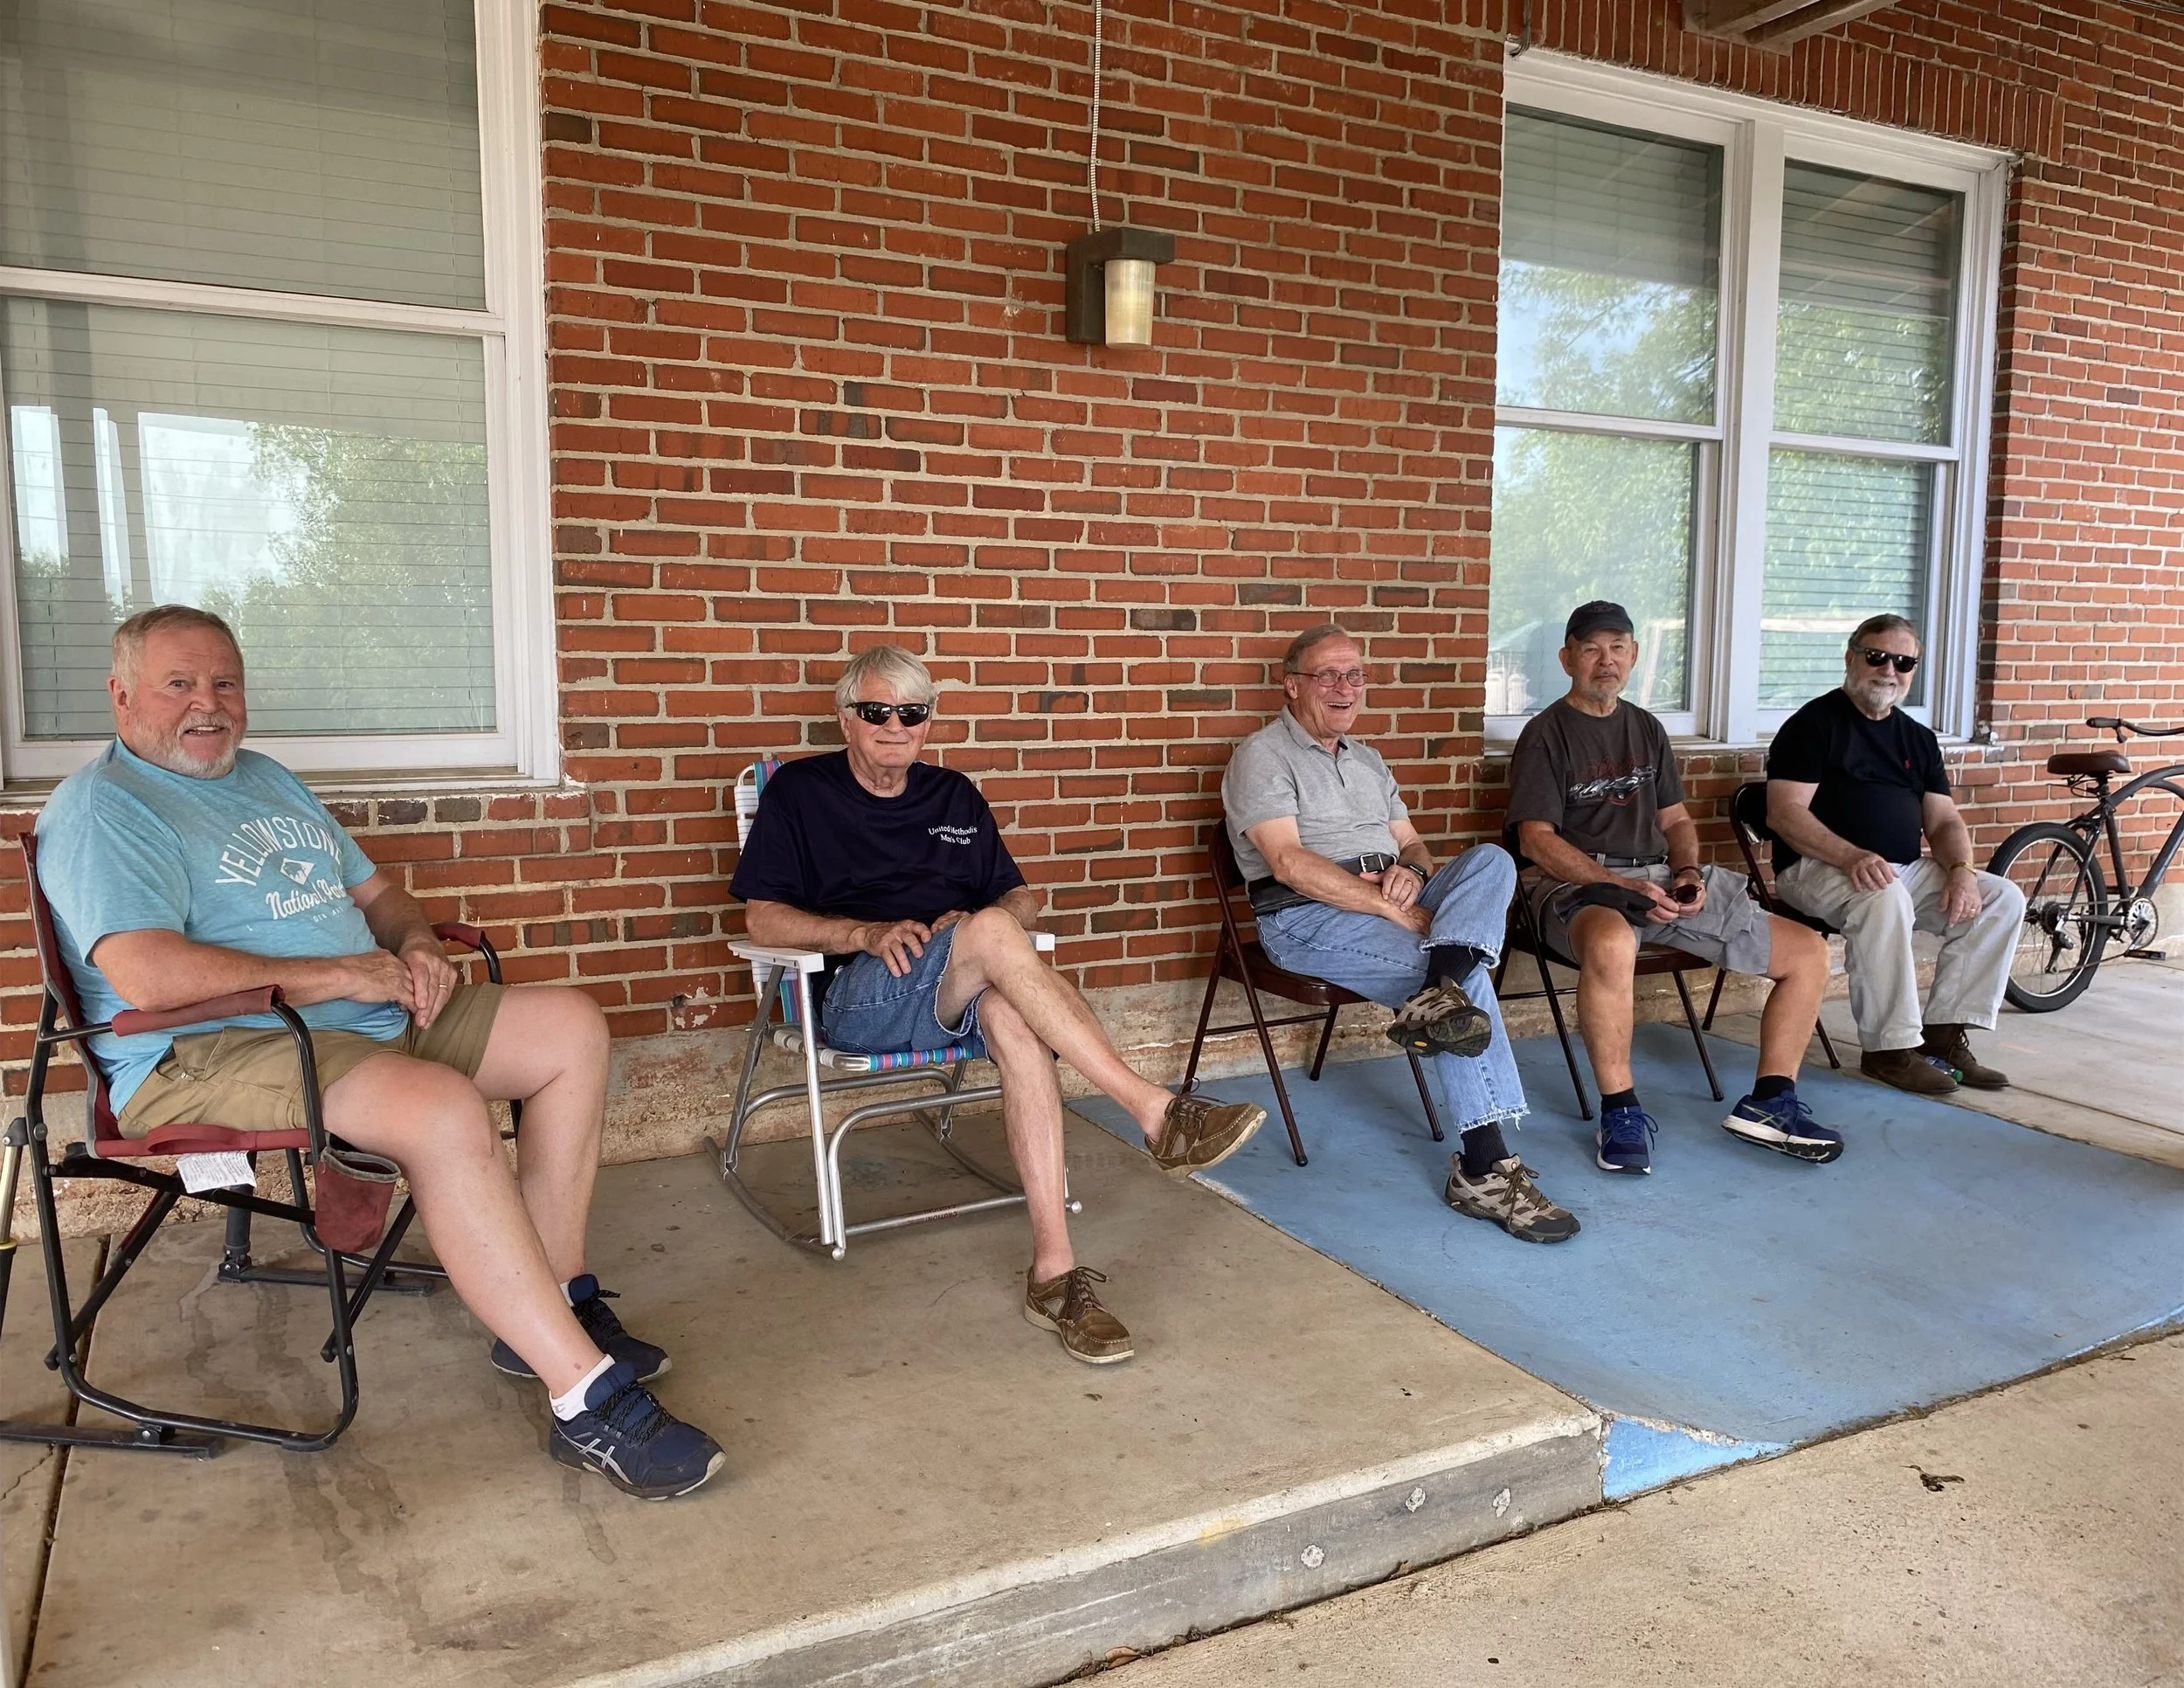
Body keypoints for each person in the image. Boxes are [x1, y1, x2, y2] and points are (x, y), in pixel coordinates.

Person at [36, 605, 722, 1499]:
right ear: (121, 694)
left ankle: (546, 1306)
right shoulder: (105, 808)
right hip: (203, 1049)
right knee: (439, 1108)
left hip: (353, 1012)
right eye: (179, 684)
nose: (207, 705)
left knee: (569, 1028)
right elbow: (151, 975)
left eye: (224, 683)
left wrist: (416, 948)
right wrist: (335, 976)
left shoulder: (266, 779)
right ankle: (585, 1402)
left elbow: (381, 895)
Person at [731, 645, 1266, 1365]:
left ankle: (1054, 1274)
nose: (895, 725)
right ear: (846, 719)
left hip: (956, 981)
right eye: (876, 711)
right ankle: (1154, 1110)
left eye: (911, 712)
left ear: (928, 722)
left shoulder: (954, 796)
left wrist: (982, 930)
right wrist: (864, 931)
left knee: (1011, 1001)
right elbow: (761, 919)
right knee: (990, 933)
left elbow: (1019, 896)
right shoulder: (800, 793)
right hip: (859, 995)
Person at [1221, 624, 1578, 1244]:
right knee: (1470, 990)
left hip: (1387, 899)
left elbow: (1412, 843)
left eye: (1354, 674)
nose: (1344, 687)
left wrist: (1411, 874)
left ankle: (1439, 989)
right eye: (1327, 675)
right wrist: (1385, 908)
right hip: (1306, 919)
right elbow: (1288, 864)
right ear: (1291, 686)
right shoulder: (1262, 756)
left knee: (1493, 860)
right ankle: (1483, 1168)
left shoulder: (1367, 759)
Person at [1505, 601, 1841, 1174]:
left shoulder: (1647, 728)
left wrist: (1686, 874)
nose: (1605, 660)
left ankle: (1770, 1101)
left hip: (1657, 881)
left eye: (1617, 648)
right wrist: (1618, 883)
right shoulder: (1545, 734)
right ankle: (1621, 1111)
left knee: (1808, 951)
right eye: (1590, 649)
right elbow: (1536, 841)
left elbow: (1677, 824)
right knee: (1612, 945)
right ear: (1567, 659)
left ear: (1633, 656)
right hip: (1572, 885)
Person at [1766, 613, 2023, 1095]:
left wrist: (1962, 871)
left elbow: (1944, 821)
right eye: (1877, 656)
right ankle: (1889, 1050)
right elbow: (1784, 814)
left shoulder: (1918, 739)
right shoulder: (1813, 726)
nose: (1889, 669)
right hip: (1815, 868)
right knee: (1884, 898)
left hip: (1900, 869)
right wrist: (1849, 856)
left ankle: (1944, 1037)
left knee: (2001, 898)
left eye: (1904, 662)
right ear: (1851, 658)